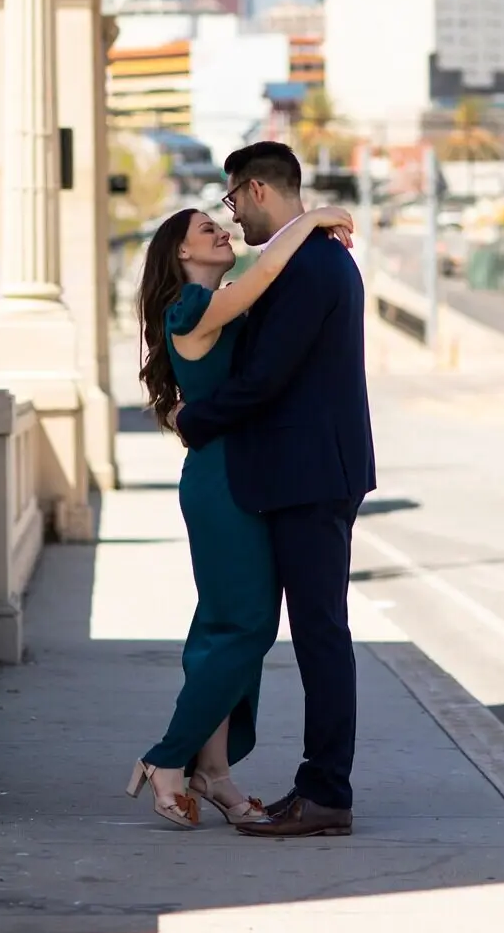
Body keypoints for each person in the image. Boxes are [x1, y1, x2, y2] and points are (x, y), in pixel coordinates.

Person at [128, 194, 355, 827]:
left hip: (241, 475)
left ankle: (216, 774)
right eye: (208, 227)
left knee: (224, 625)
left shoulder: (216, 303)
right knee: (245, 625)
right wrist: (310, 220)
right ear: (181, 251)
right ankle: (166, 758)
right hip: (223, 482)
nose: (223, 231)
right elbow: (267, 271)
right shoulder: (193, 305)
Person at [176, 141, 376, 839]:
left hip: (310, 476)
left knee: (321, 635)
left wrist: (192, 420)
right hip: (309, 471)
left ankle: (325, 794)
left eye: (232, 199)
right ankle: (320, 788)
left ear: (258, 189)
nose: (232, 214)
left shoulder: (309, 266)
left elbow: (265, 379)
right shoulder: (312, 256)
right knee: (319, 632)